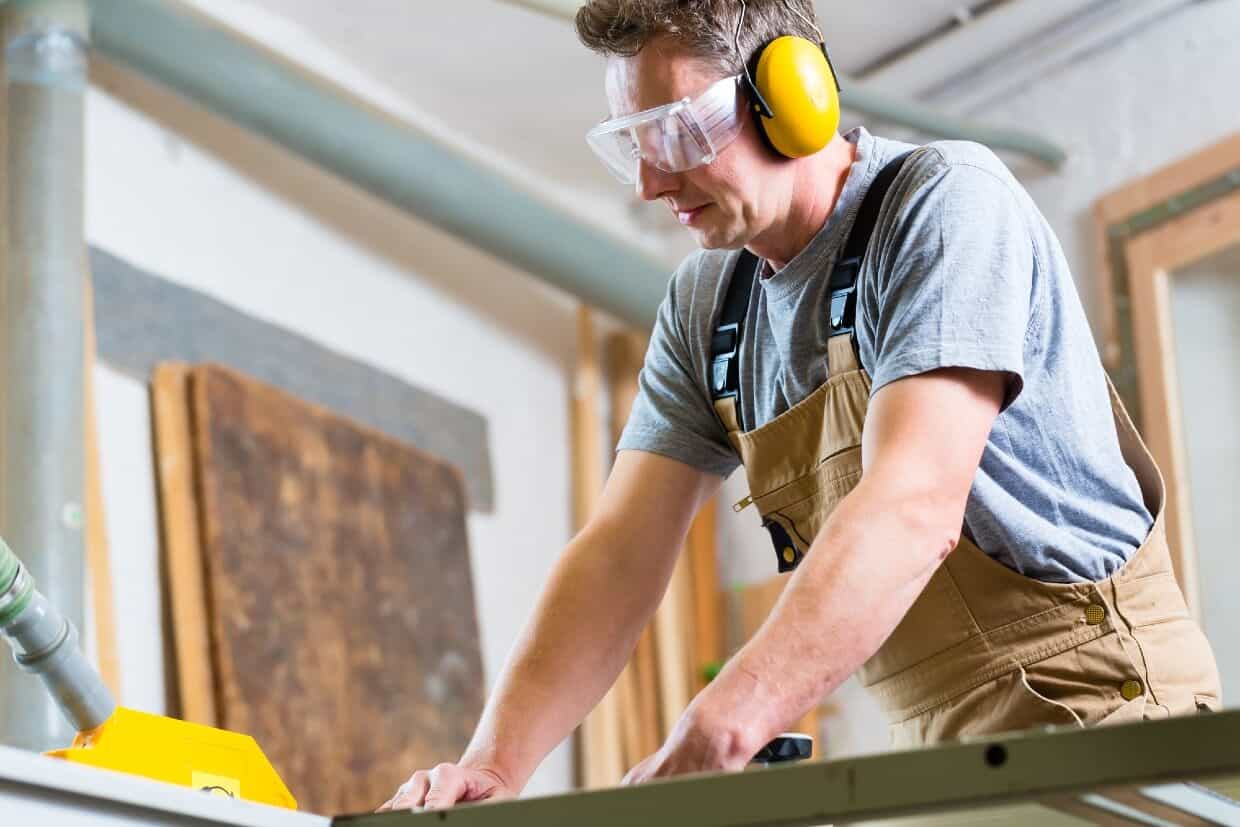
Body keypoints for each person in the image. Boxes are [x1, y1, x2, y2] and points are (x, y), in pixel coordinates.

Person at [380, 0, 1220, 812]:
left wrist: (720, 727)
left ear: (791, 94)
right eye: (631, 143)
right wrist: (491, 764)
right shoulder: (708, 306)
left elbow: (913, 506)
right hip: (943, 751)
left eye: (675, 129)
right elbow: (616, 555)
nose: (647, 180)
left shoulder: (945, 205)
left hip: (1106, 711)